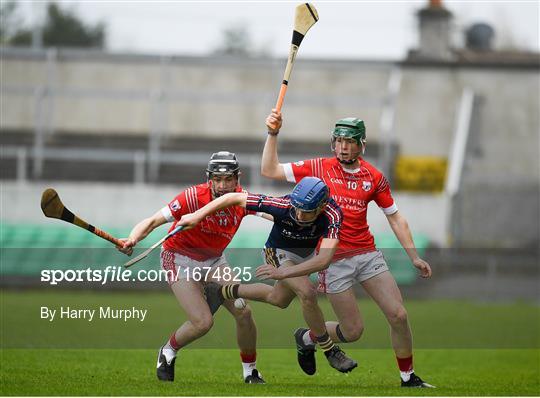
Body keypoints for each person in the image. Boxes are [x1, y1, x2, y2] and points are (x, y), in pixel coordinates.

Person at [257, 109, 435, 388]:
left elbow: (395, 216)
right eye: (339, 140)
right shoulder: (318, 168)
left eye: (350, 141)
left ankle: (408, 377)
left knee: (398, 315)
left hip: (367, 253)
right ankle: (306, 337)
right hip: (333, 261)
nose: (343, 146)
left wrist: (413, 256)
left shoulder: (373, 176)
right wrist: (272, 133)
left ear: (361, 144)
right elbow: (270, 169)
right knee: (352, 332)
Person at [178, 176, 357, 375]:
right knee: (307, 292)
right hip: (277, 251)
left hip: (304, 258)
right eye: (296, 208)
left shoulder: (333, 215)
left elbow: (323, 260)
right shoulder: (281, 204)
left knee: (277, 299)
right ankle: (330, 350)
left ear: (321, 206)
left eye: (305, 212)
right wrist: (198, 215)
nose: (298, 214)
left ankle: (220, 291)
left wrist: (285, 273)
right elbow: (234, 198)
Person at [118, 151, 265, 384]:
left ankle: (251, 371)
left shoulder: (241, 199)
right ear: (209, 178)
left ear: (238, 179)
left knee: (243, 312)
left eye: (228, 179)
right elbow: (153, 221)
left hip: (214, 262)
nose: (223, 185)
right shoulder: (192, 197)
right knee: (203, 323)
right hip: (179, 258)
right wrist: (132, 238)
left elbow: (274, 212)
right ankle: (168, 350)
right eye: (217, 179)